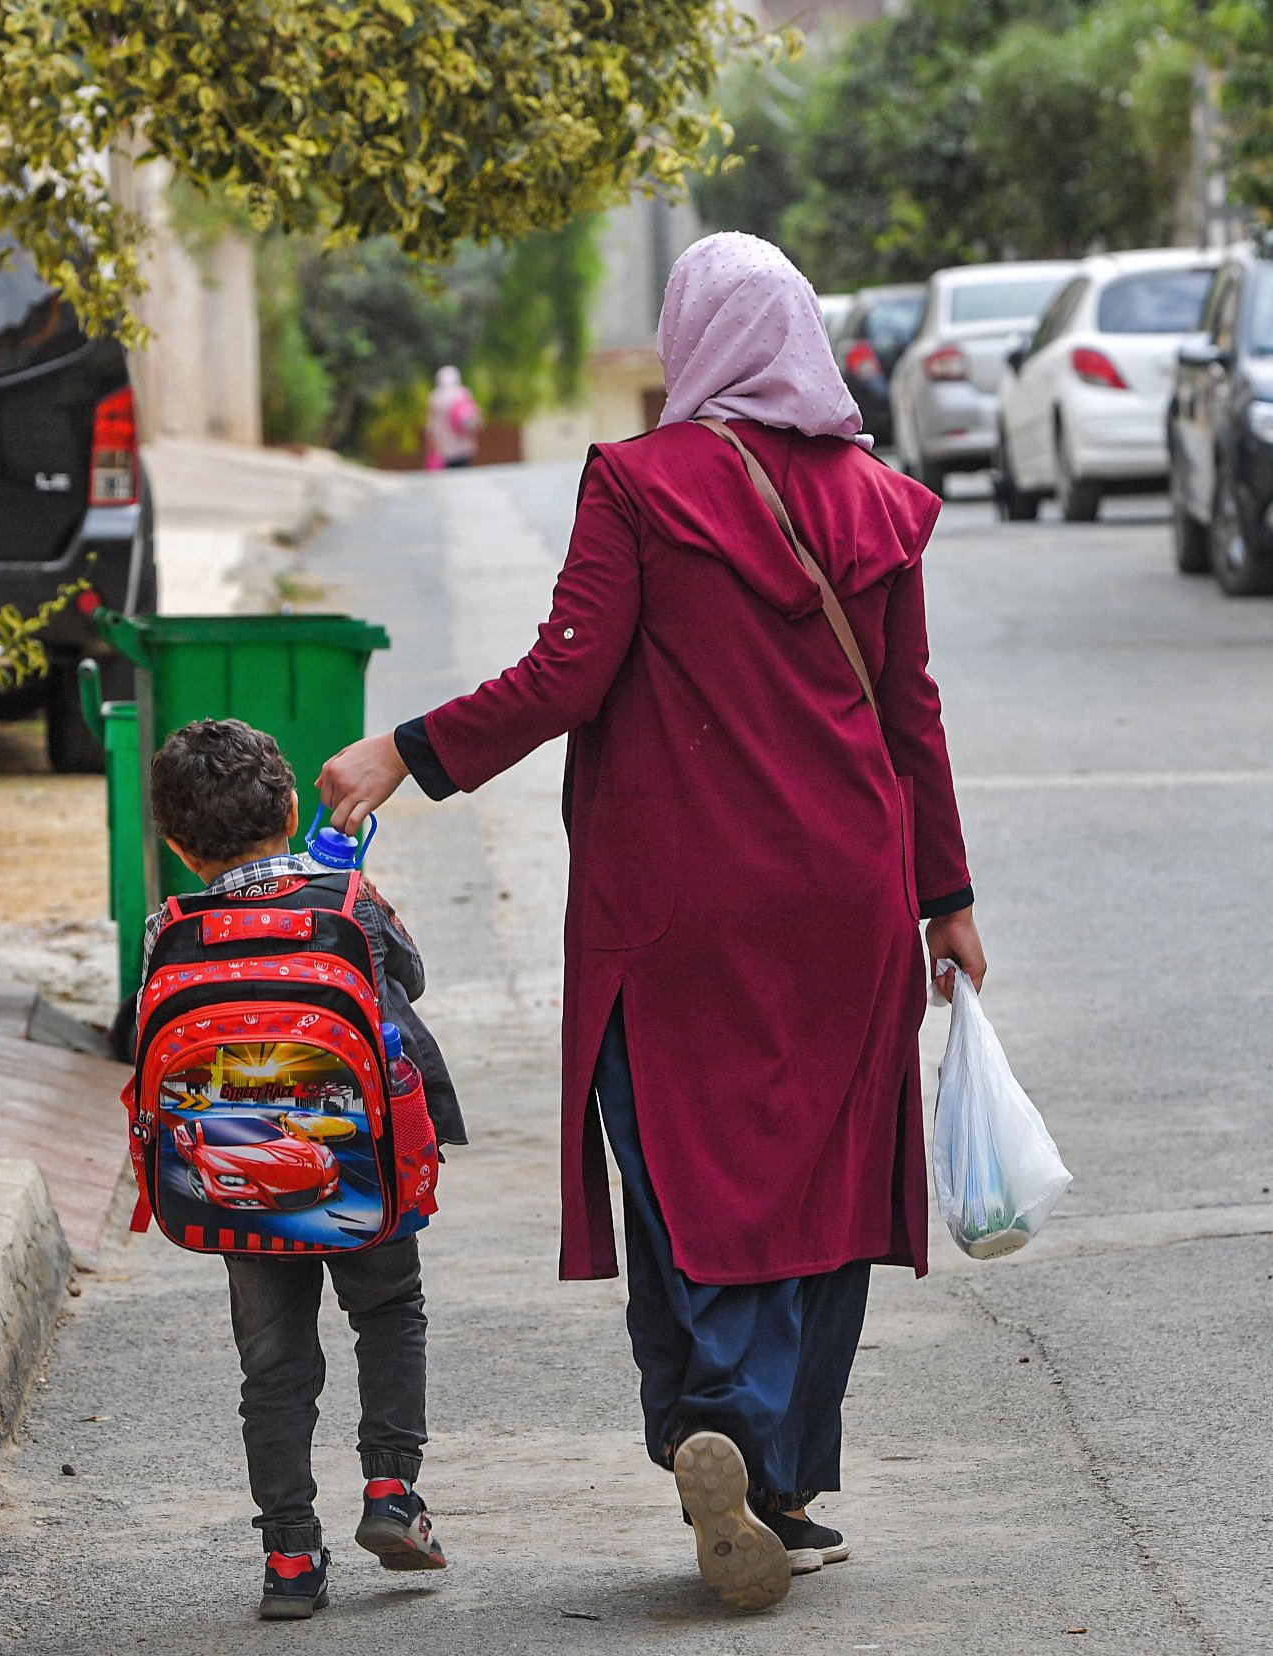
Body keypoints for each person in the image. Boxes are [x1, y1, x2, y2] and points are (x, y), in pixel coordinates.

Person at [317, 232, 986, 1614]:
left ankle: (720, 1428)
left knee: (692, 1163)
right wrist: (950, 899)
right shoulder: (881, 503)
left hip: (678, 901)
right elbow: (910, 714)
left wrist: (406, 752)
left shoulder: (638, 482)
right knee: (822, 1178)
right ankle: (774, 1483)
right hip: (851, 895)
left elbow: (568, 674)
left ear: (692, 340)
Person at [144, 718, 466, 1620]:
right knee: (389, 1311)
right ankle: (391, 1492)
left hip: (234, 1183)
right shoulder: (348, 902)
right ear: (290, 810)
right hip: (359, 1169)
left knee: (273, 1366)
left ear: (178, 846)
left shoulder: (170, 931)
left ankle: (289, 1555)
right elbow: (410, 977)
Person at [424, 365, 482, 469]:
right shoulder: (462, 393)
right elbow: (473, 417)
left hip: (443, 446)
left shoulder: (435, 397)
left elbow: (431, 425)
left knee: (448, 473)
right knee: (462, 470)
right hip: (462, 444)